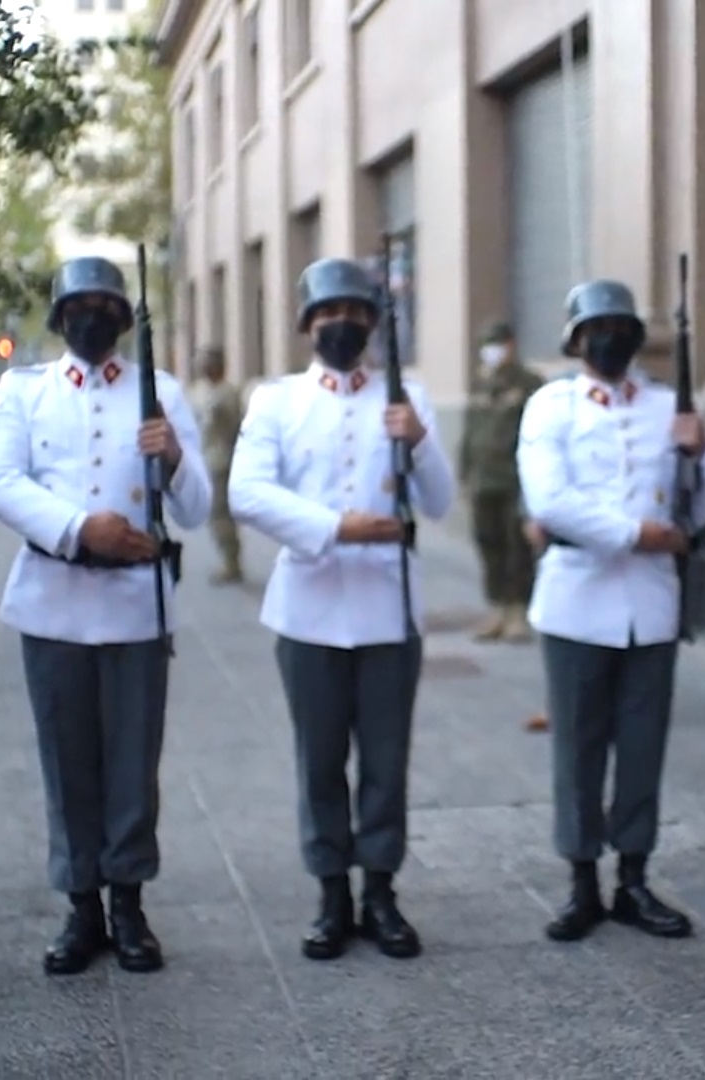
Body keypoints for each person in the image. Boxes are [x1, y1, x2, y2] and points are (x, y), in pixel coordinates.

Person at [0, 256, 211, 976]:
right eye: (79, 305)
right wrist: (81, 529)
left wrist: (172, 455)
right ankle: (81, 904)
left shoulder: (159, 390)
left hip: (137, 606)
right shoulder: (26, 391)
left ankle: (129, 905)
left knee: (134, 766)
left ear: (124, 317)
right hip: (54, 601)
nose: (93, 315)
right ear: (58, 317)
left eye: (107, 304)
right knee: (67, 762)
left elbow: (197, 507)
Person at [228, 256, 455, 961]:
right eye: (329, 316)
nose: (342, 326)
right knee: (320, 759)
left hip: (389, 609)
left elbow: (441, 502)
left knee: (386, 762)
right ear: (307, 326)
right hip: (310, 610)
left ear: (374, 326)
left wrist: (417, 441)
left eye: (356, 315)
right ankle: (331, 893)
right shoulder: (277, 401)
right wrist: (335, 527)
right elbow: (247, 492)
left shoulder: (407, 395)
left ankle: (381, 893)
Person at [518, 278, 705, 944]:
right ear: (575, 341)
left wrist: (703, 454)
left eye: (619, 328)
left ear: (636, 337)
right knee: (578, 749)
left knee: (641, 748)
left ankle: (633, 879)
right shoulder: (552, 406)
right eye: (594, 329)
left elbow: (699, 503)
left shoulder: (670, 405)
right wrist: (638, 535)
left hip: (652, 606)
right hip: (577, 601)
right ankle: (582, 881)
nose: (607, 339)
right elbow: (549, 499)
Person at [458, 321, 546, 645]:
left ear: (511, 345)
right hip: (484, 479)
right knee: (488, 543)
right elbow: (470, 433)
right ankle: (496, 607)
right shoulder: (481, 384)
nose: (492, 351)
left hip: (515, 479)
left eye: (497, 344)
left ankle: (517, 611)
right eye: (487, 344)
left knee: (516, 548)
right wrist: (464, 474)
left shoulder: (528, 384)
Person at [189, 344, 245, 584]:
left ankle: (231, 563)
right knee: (216, 514)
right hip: (204, 459)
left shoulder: (226, 393)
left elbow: (235, 428)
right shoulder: (199, 391)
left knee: (220, 514)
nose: (201, 366)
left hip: (222, 460)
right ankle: (229, 560)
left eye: (206, 361)